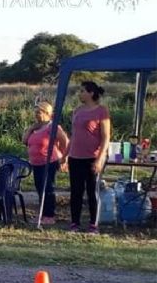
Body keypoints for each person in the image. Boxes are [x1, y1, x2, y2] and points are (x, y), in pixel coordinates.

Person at [67, 81, 110, 234]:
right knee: (76, 191)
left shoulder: (101, 111)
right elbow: (74, 135)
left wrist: (100, 159)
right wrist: (66, 154)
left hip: (92, 157)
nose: (80, 94)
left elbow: (106, 137)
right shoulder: (77, 111)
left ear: (91, 93)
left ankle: (93, 224)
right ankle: (74, 223)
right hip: (75, 157)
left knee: (92, 192)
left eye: (82, 91)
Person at [23, 101, 69, 225]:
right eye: (35, 112)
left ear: (47, 113)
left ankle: (49, 215)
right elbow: (25, 141)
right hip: (36, 163)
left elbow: (65, 141)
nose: (36, 115)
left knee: (47, 188)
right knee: (39, 188)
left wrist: (64, 157)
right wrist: (31, 128)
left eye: (39, 112)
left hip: (49, 162)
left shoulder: (53, 127)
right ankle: (43, 214)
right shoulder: (36, 128)